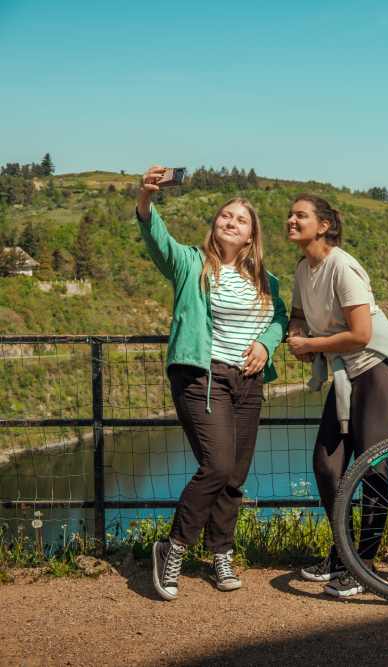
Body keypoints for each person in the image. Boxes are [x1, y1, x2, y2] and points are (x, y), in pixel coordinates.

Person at [136, 165, 288, 601]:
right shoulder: (191, 263)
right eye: (226, 215)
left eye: (240, 220)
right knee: (217, 465)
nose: (230, 221)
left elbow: (278, 319)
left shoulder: (265, 280)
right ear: (215, 225)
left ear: (250, 236)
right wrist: (146, 198)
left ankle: (221, 552)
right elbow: (156, 240)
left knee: (234, 475)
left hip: (248, 382)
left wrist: (266, 344)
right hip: (203, 377)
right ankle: (174, 547)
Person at [285, 194, 388, 598]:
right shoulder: (303, 268)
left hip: (378, 371)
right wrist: (297, 331)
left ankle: (363, 564)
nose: (291, 220)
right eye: (291, 214)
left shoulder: (342, 266)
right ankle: (342, 550)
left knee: (371, 468)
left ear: (325, 225)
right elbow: (299, 312)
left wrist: (310, 348)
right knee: (327, 465)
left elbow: (361, 334)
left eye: (301, 215)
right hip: (347, 374)